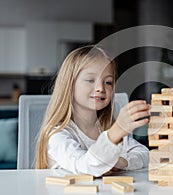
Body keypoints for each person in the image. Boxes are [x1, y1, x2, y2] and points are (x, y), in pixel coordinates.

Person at [35, 45, 150, 176]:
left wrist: (120, 162)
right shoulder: (57, 135)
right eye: (90, 80)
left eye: (108, 82)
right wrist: (115, 132)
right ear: (69, 85)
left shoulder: (105, 128)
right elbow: (86, 166)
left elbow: (144, 154)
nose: (100, 88)